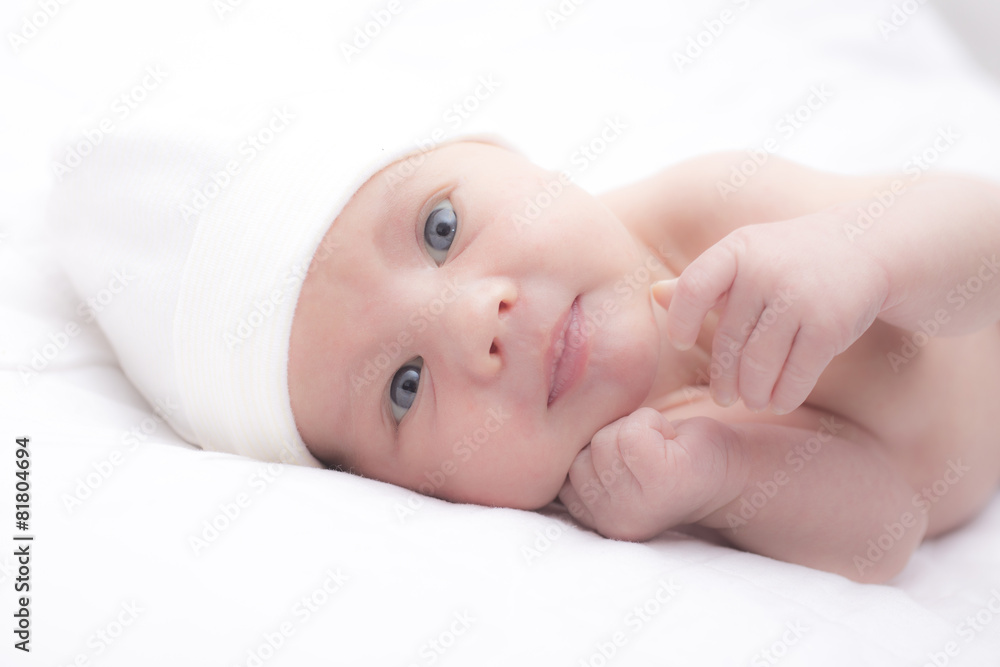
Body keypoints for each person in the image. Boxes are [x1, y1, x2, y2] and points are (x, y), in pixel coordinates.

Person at [287, 140, 1000, 584]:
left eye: (440, 229)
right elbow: (891, 528)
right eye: (404, 388)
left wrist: (863, 252)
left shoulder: (707, 212)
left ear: (498, 152)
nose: (476, 322)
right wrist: (721, 474)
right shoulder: (637, 469)